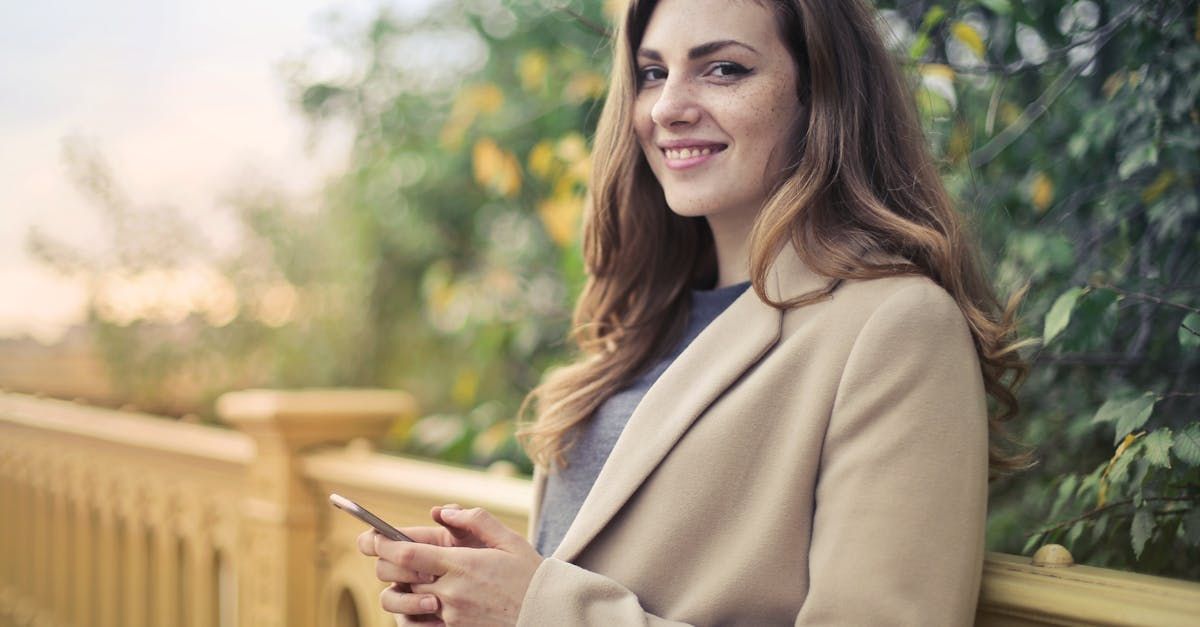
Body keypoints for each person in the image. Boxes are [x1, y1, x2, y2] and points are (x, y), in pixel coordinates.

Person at [357, 0, 1027, 624]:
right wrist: (472, 595)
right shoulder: (642, 325)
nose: (667, 107)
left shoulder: (898, 326)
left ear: (819, 92)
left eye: (723, 69)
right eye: (652, 73)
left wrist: (540, 607)